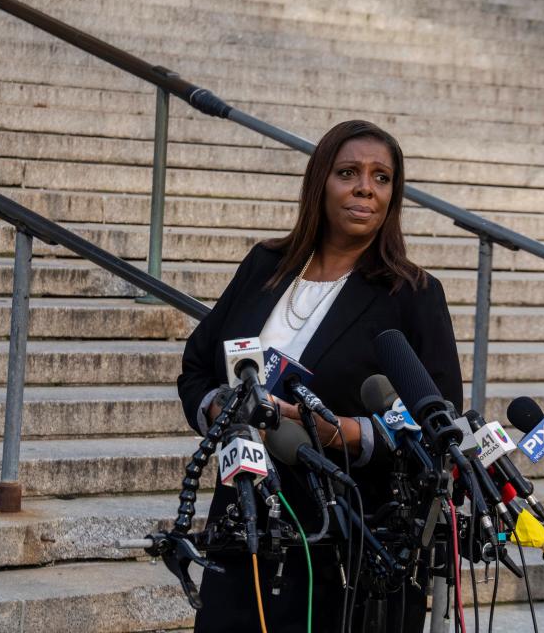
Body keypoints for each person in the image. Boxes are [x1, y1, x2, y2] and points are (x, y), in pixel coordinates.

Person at [177, 120, 463, 633]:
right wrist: (226, 412)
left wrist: (333, 432)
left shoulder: (413, 294)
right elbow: (198, 366)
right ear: (319, 182)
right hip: (243, 521)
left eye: (381, 178)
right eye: (348, 172)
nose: (364, 188)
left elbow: (435, 423)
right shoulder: (266, 264)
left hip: (345, 543)